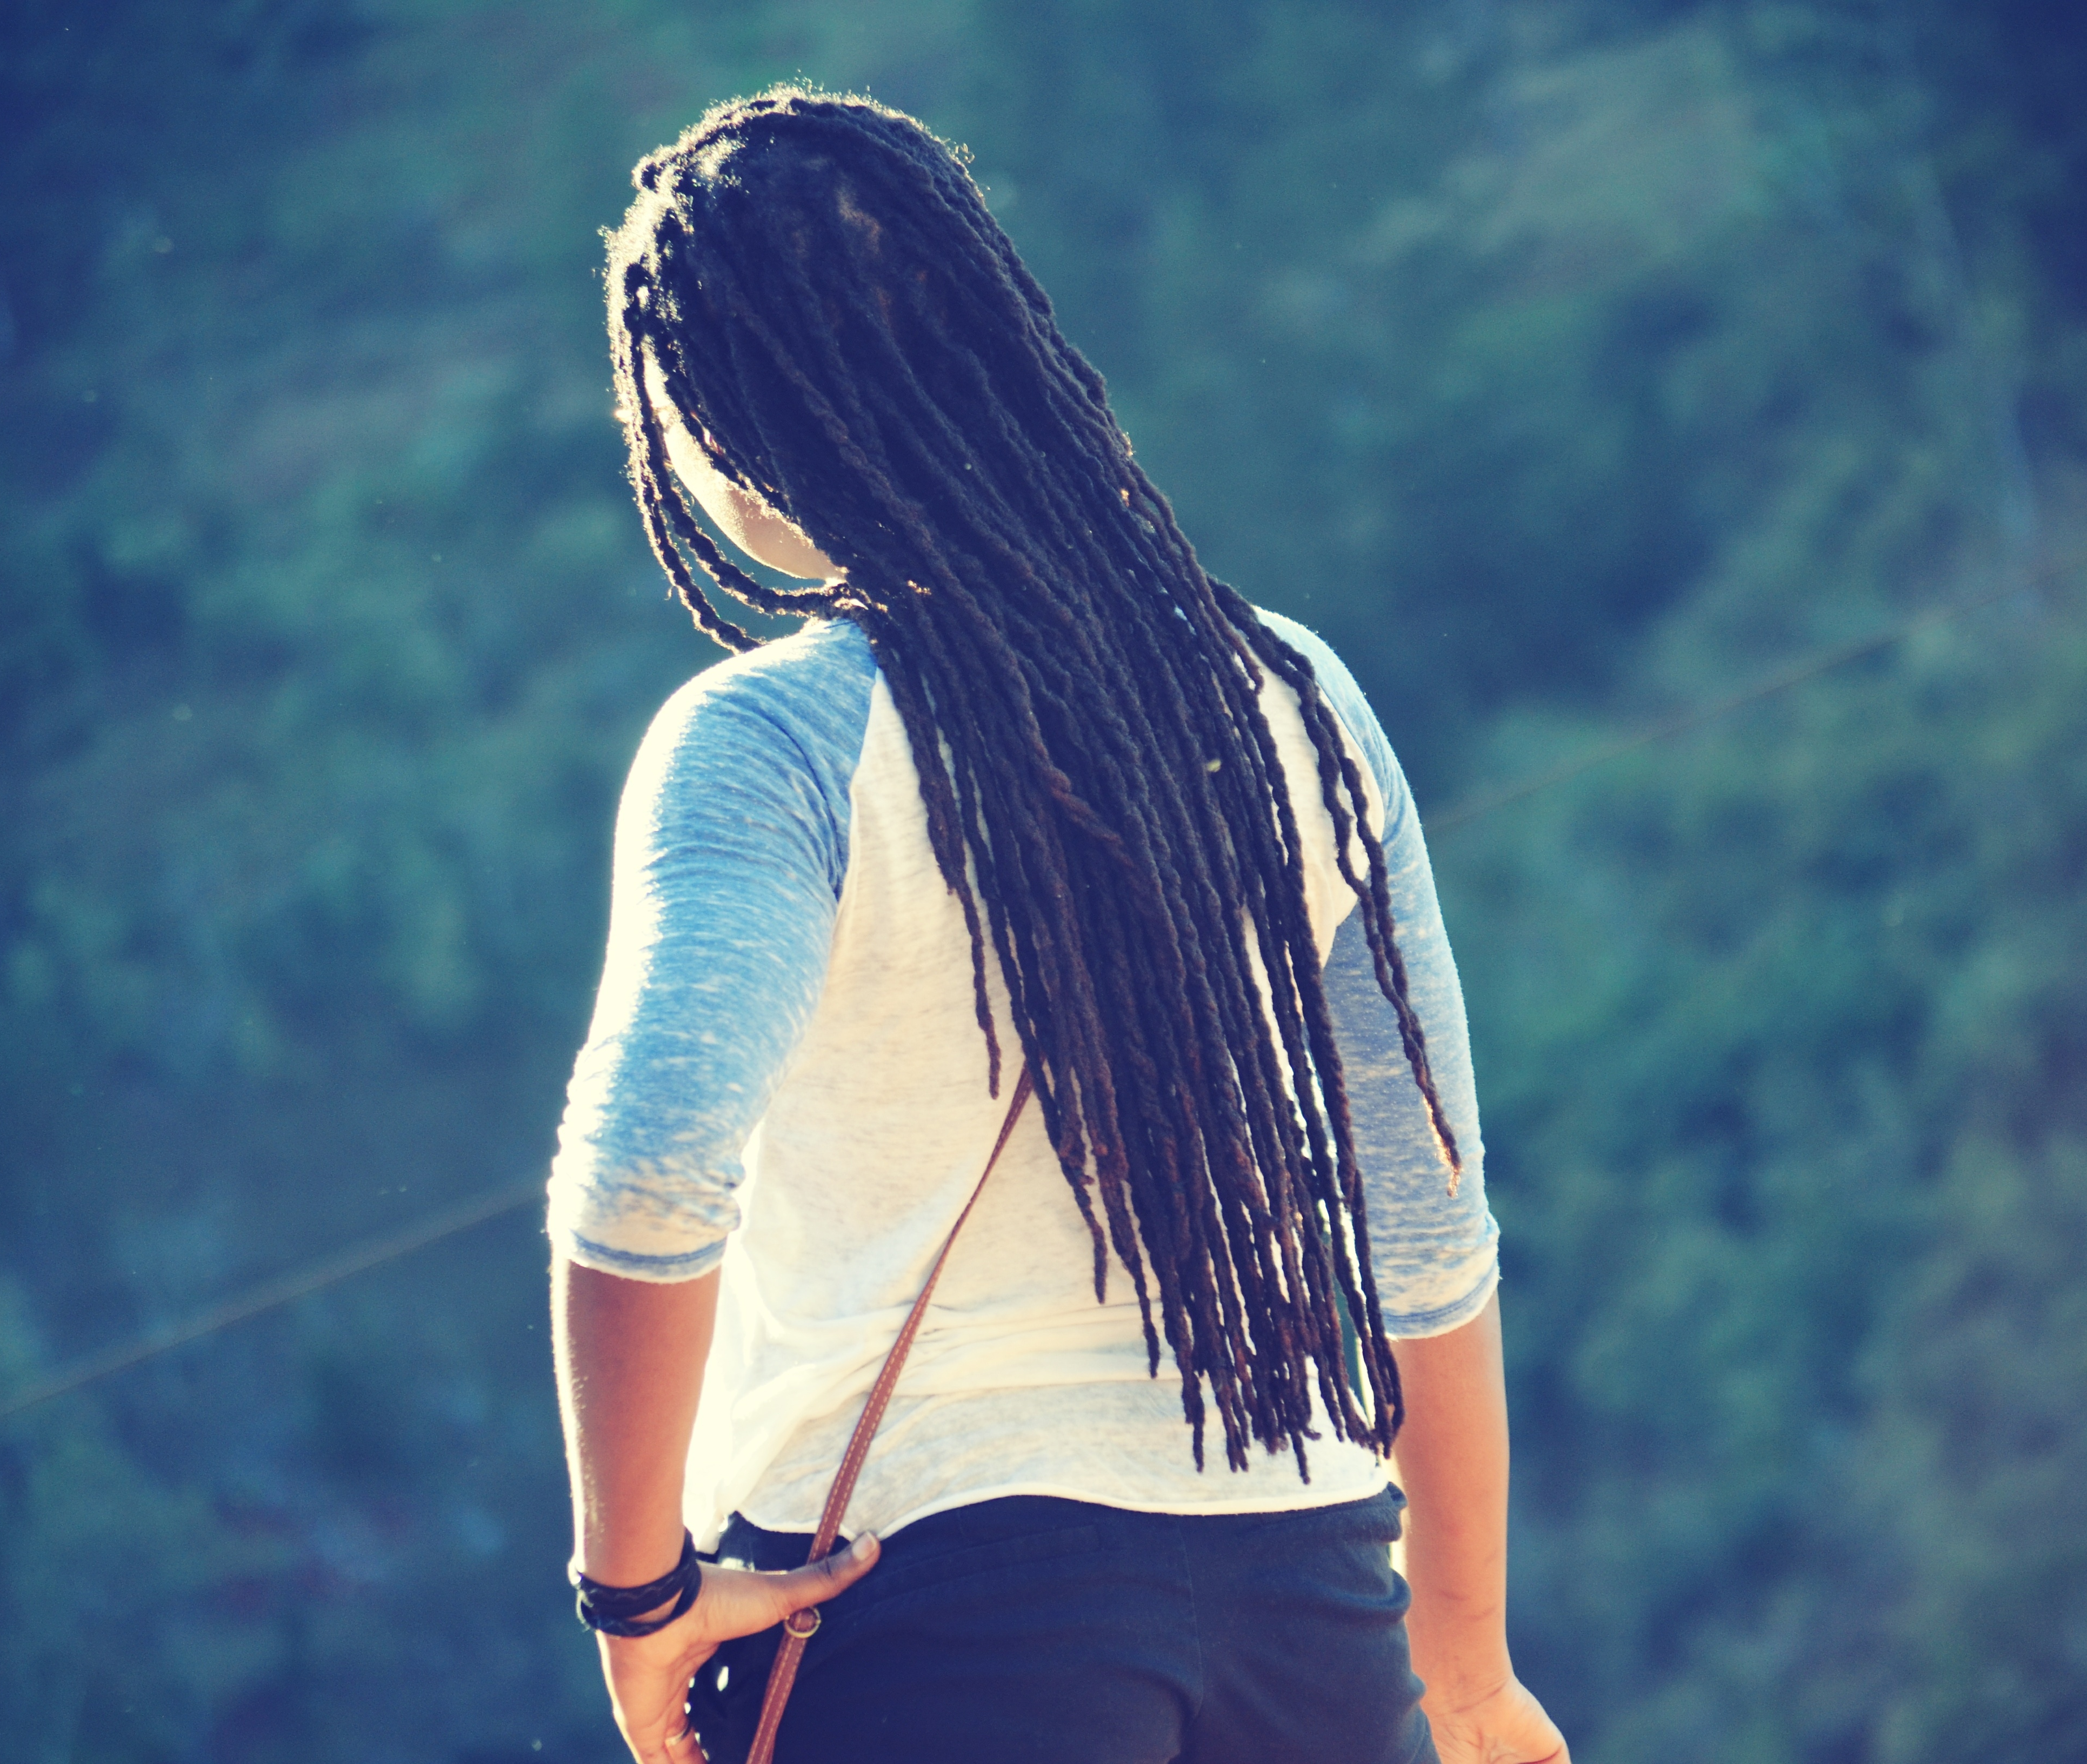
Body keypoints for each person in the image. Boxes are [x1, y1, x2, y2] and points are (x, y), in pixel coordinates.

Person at [548, 88, 1566, 1764]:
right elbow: (1429, 1226)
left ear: (714, 428)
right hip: (1310, 1610)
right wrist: (1460, 1666)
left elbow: (651, 1174)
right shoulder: (1294, 703)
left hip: (932, 1618)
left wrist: (636, 1599)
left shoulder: (774, 744)